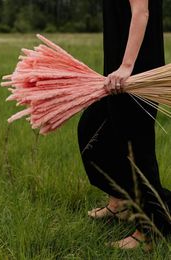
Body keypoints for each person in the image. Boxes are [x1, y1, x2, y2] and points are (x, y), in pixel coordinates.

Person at [78, 0, 171, 250]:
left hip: (135, 72)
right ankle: (119, 201)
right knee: (93, 129)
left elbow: (141, 11)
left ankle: (151, 231)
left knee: (137, 151)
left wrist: (127, 66)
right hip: (118, 72)